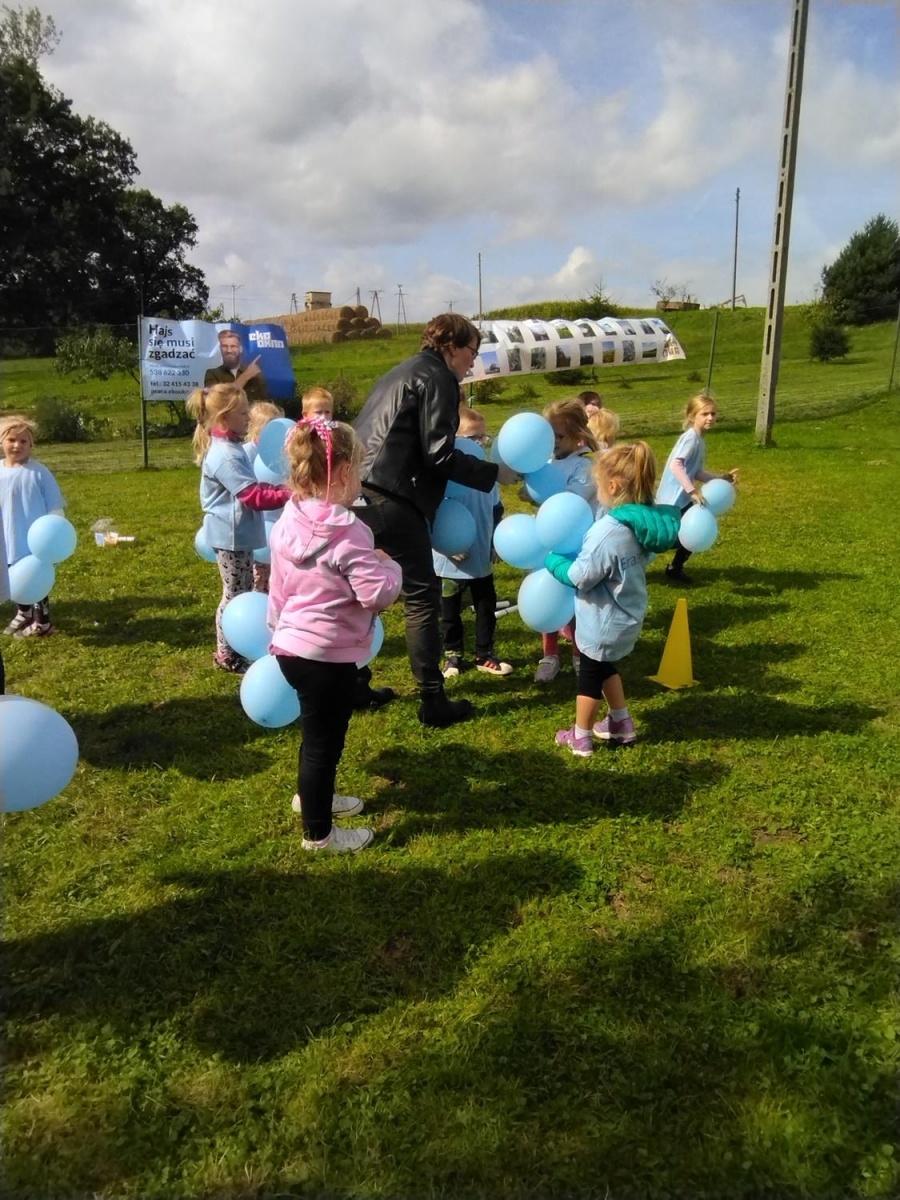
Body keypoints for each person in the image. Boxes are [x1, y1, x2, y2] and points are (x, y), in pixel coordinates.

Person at [353, 312, 511, 728]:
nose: (471, 363)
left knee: (358, 590)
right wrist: (494, 473)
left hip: (356, 490)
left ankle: (352, 682)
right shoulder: (438, 376)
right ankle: (432, 699)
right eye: (471, 353)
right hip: (392, 493)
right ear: (452, 346)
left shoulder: (399, 371)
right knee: (422, 595)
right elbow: (439, 452)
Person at [268, 415, 402, 854]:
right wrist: (391, 565)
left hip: (291, 647)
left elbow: (279, 585)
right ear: (344, 473)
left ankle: (311, 799)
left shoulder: (287, 520)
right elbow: (377, 596)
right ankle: (320, 835)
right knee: (325, 744)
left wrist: (276, 629)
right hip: (328, 657)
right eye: (357, 470)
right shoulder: (349, 531)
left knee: (316, 734)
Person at [545, 442, 681, 756]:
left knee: (589, 679)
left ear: (612, 485)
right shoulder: (642, 523)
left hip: (601, 620)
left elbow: (581, 576)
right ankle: (621, 723)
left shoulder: (607, 530)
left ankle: (580, 737)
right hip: (626, 616)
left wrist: (554, 563)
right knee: (606, 667)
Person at [186, 383, 290, 672]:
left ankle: (236, 648)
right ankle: (226, 653)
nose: (247, 418)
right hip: (230, 537)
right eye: (243, 413)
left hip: (239, 534)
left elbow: (254, 486)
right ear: (224, 417)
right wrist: (290, 493)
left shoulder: (232, 448)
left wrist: (279, 488)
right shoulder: (225, 455)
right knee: (233, 596)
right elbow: (252, 496)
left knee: (242, 591)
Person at [434, 406, 511, 679]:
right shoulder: (443, 476)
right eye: (472, 438)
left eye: (482, 438)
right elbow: (432, 515)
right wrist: (446, 547)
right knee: (450, 611)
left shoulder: (488, 477)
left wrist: (495, 542)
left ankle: (484, 653)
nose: (479, 444)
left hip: (479, 555)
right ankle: (452, 654)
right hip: (449, 559)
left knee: (485, 606)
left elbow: (496, 510)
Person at [532, 399, 600, 683]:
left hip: (577, 544)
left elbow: (570, 501)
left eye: (559, 436)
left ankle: (578, 654)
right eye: (551, 436)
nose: (554, 442)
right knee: (547, 596)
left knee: (576, 602)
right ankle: (549, 655)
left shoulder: (584, 467)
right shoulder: (548, 463)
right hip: (549, 541)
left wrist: (538, 495)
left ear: (578, 436)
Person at [656, 392, 739, 585]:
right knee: (665, 537)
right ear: (693, 416)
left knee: (695, 529)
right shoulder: (691, 438)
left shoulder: (700, 440)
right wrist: (693, 491)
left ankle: (675, 568)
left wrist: (721, 479)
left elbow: (696, 471)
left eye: (713, 414)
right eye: (705, 414)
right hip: (672, 500)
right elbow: (676, 465)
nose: (710, 418)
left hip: (683, 499)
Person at [0, 414, 66, 638]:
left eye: (23, 441)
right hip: (7, 536)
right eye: (11, 440)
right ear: (2, 442)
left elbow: (55, 505)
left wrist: (55, 533)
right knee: (13, 576)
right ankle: (23, 612)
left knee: (36, 578)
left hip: (35, 541)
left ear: (31, 445)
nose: (17, 445)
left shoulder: (39, 472)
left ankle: (42, 623)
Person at [244, 401, 286, 594]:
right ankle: (257, 600)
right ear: (255, 429)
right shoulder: (247, 453)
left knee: (279, 572)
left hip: (280, 517)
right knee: (259, 571)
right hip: (258, 521)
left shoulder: (282, 452)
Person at [204, 330, 268, 402]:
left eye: (233, 346)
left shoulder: (255, 375)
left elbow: (263, 403)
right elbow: (218, 399)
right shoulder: (212, 374)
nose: (229, 350)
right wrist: (246, 375)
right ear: (220, 349)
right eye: (225, 346)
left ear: (240, 349)